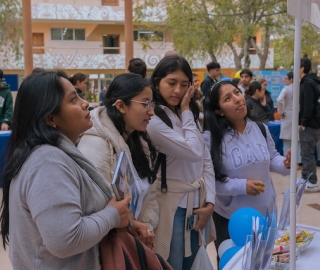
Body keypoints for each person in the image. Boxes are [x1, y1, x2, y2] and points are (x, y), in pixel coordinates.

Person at [0, 70, 130, 269]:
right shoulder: (48, 163)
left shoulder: (56, 154)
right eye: (73, 100)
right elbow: (65, 240)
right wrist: (112, 215)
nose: (85, 103)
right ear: (51, 118)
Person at [202, 80, 291, 266]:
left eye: (237, 92)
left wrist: (286, 163)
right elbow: (210, 180)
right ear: (218, 110)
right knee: (234, 263)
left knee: (266, 262)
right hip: (231, 219)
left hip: (265, 213)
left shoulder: (260, 128)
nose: (237, 99)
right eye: (228, 98)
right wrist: (242, 186)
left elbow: (272, 159)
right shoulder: (211, 138)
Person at [147, 55, 216, 270]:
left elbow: (206, 160)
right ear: (157, 82)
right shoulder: (153, 118)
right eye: (171, 83)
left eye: (184, 85)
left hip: (198, 202)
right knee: (170, 263)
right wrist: (187, 110)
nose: (177, 90)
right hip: (171, 204)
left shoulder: (187, 114)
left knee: (194, 263)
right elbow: (194, 151)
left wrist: (210, 204)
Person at [77, 73, 158, 247]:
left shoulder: (139, 139)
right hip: (110, 244)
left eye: (152, 104)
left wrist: (146, 226)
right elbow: (98, 206)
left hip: (136, 241)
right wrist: (131, 227)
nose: (151, 111)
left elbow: (150, 193)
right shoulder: (95, 145)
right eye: (145, 104)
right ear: (121, 106)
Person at [299, 57, 320, 192]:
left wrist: (304, 123)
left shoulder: (307, 83)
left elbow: (308, 104)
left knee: (307, 153)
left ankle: (312, 181)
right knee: (306, 151)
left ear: (301, 69)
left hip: (310, 124)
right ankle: (305, 177)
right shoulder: (314, 81)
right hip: (315, 123)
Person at [277, 71, 302, 168]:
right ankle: (297, 163)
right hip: (298, 115)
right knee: (298, 141)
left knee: (287, 141)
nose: (285, 80)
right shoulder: (301, 88)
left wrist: (281, 111)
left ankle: (287, 163)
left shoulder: (287, 89)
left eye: (287, 78)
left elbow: (279, 100)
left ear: (291, 79)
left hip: (287, 115)